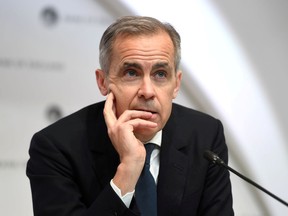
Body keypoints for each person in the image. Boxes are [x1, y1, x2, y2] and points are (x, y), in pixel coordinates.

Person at [26, 16, 234, 216]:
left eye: (160, 74)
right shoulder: (56, 148)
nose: (147, 91)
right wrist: (128, 169)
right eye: (131, 73)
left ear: (176, 84)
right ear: (103, 82)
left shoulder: (205, 135)